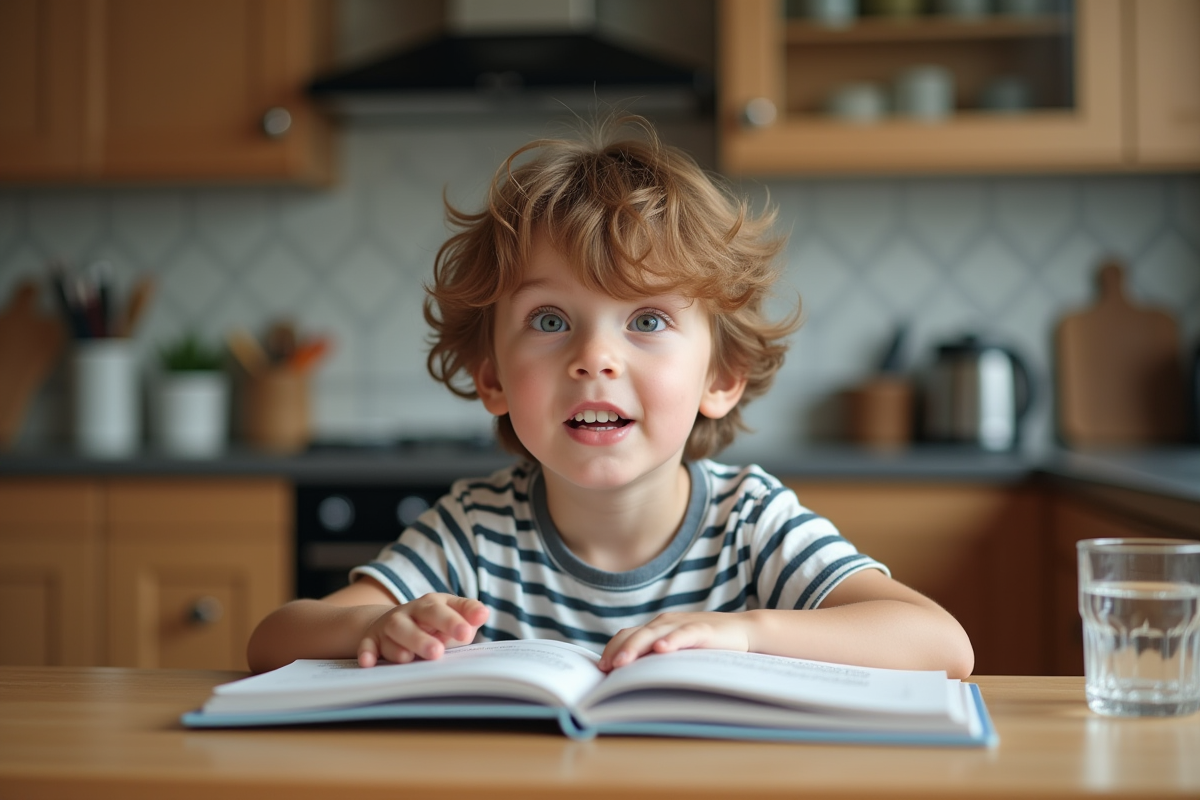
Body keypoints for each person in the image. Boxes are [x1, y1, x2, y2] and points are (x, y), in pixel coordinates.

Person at [247, 117, 974, 679]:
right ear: (493, 377)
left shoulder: (751, 522)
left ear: (721, 378)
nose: (595, 358)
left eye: (648, 321)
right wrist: (372, 626)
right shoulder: (473, 531)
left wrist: (746, 632)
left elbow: (942, 644)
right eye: (551, 321)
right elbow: (274, 638)